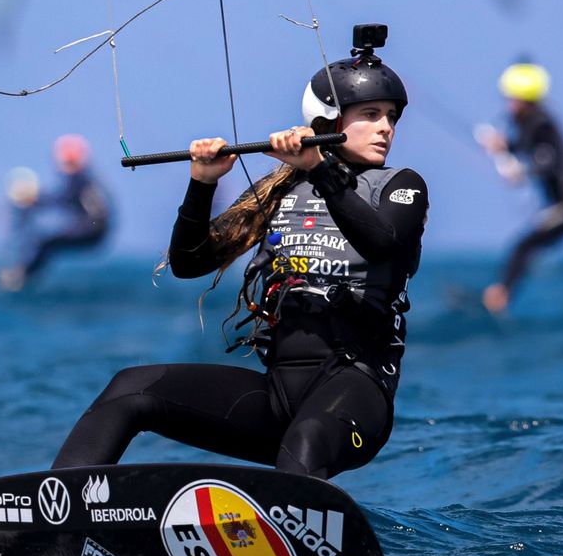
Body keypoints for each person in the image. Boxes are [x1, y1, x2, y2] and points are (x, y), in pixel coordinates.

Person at [52, 28, 426, 480]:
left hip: (356, 391)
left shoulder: (402, 187)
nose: (386, 127)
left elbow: (382, 242)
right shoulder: (279, 192)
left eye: (391, 117)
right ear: (329, 122)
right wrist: (202, 182)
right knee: (130, 388)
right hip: (278, 394)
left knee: (305, 441)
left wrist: (321, 170)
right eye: (370, 114)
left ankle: (289, 542)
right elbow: (190, 263)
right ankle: (56, 512)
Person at [477, 61, 563, 314]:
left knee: (524, 246)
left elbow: (548, 160)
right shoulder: (532, 122)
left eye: (513, 99)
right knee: (527, 247)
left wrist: (521, 171)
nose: (508, 104)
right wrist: (505, 147)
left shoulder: (541, 124)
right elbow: (528, 148)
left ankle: (500, 297)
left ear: (525, 100)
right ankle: (502, 293)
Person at [0, 134, 113, 290]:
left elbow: (62, 199)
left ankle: (20, 277)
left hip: (90, 230)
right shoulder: (87, 178)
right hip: (99, 231)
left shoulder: (77, 178)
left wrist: (34, 199)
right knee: (47, 242)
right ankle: (22, 274)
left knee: (46, 242)